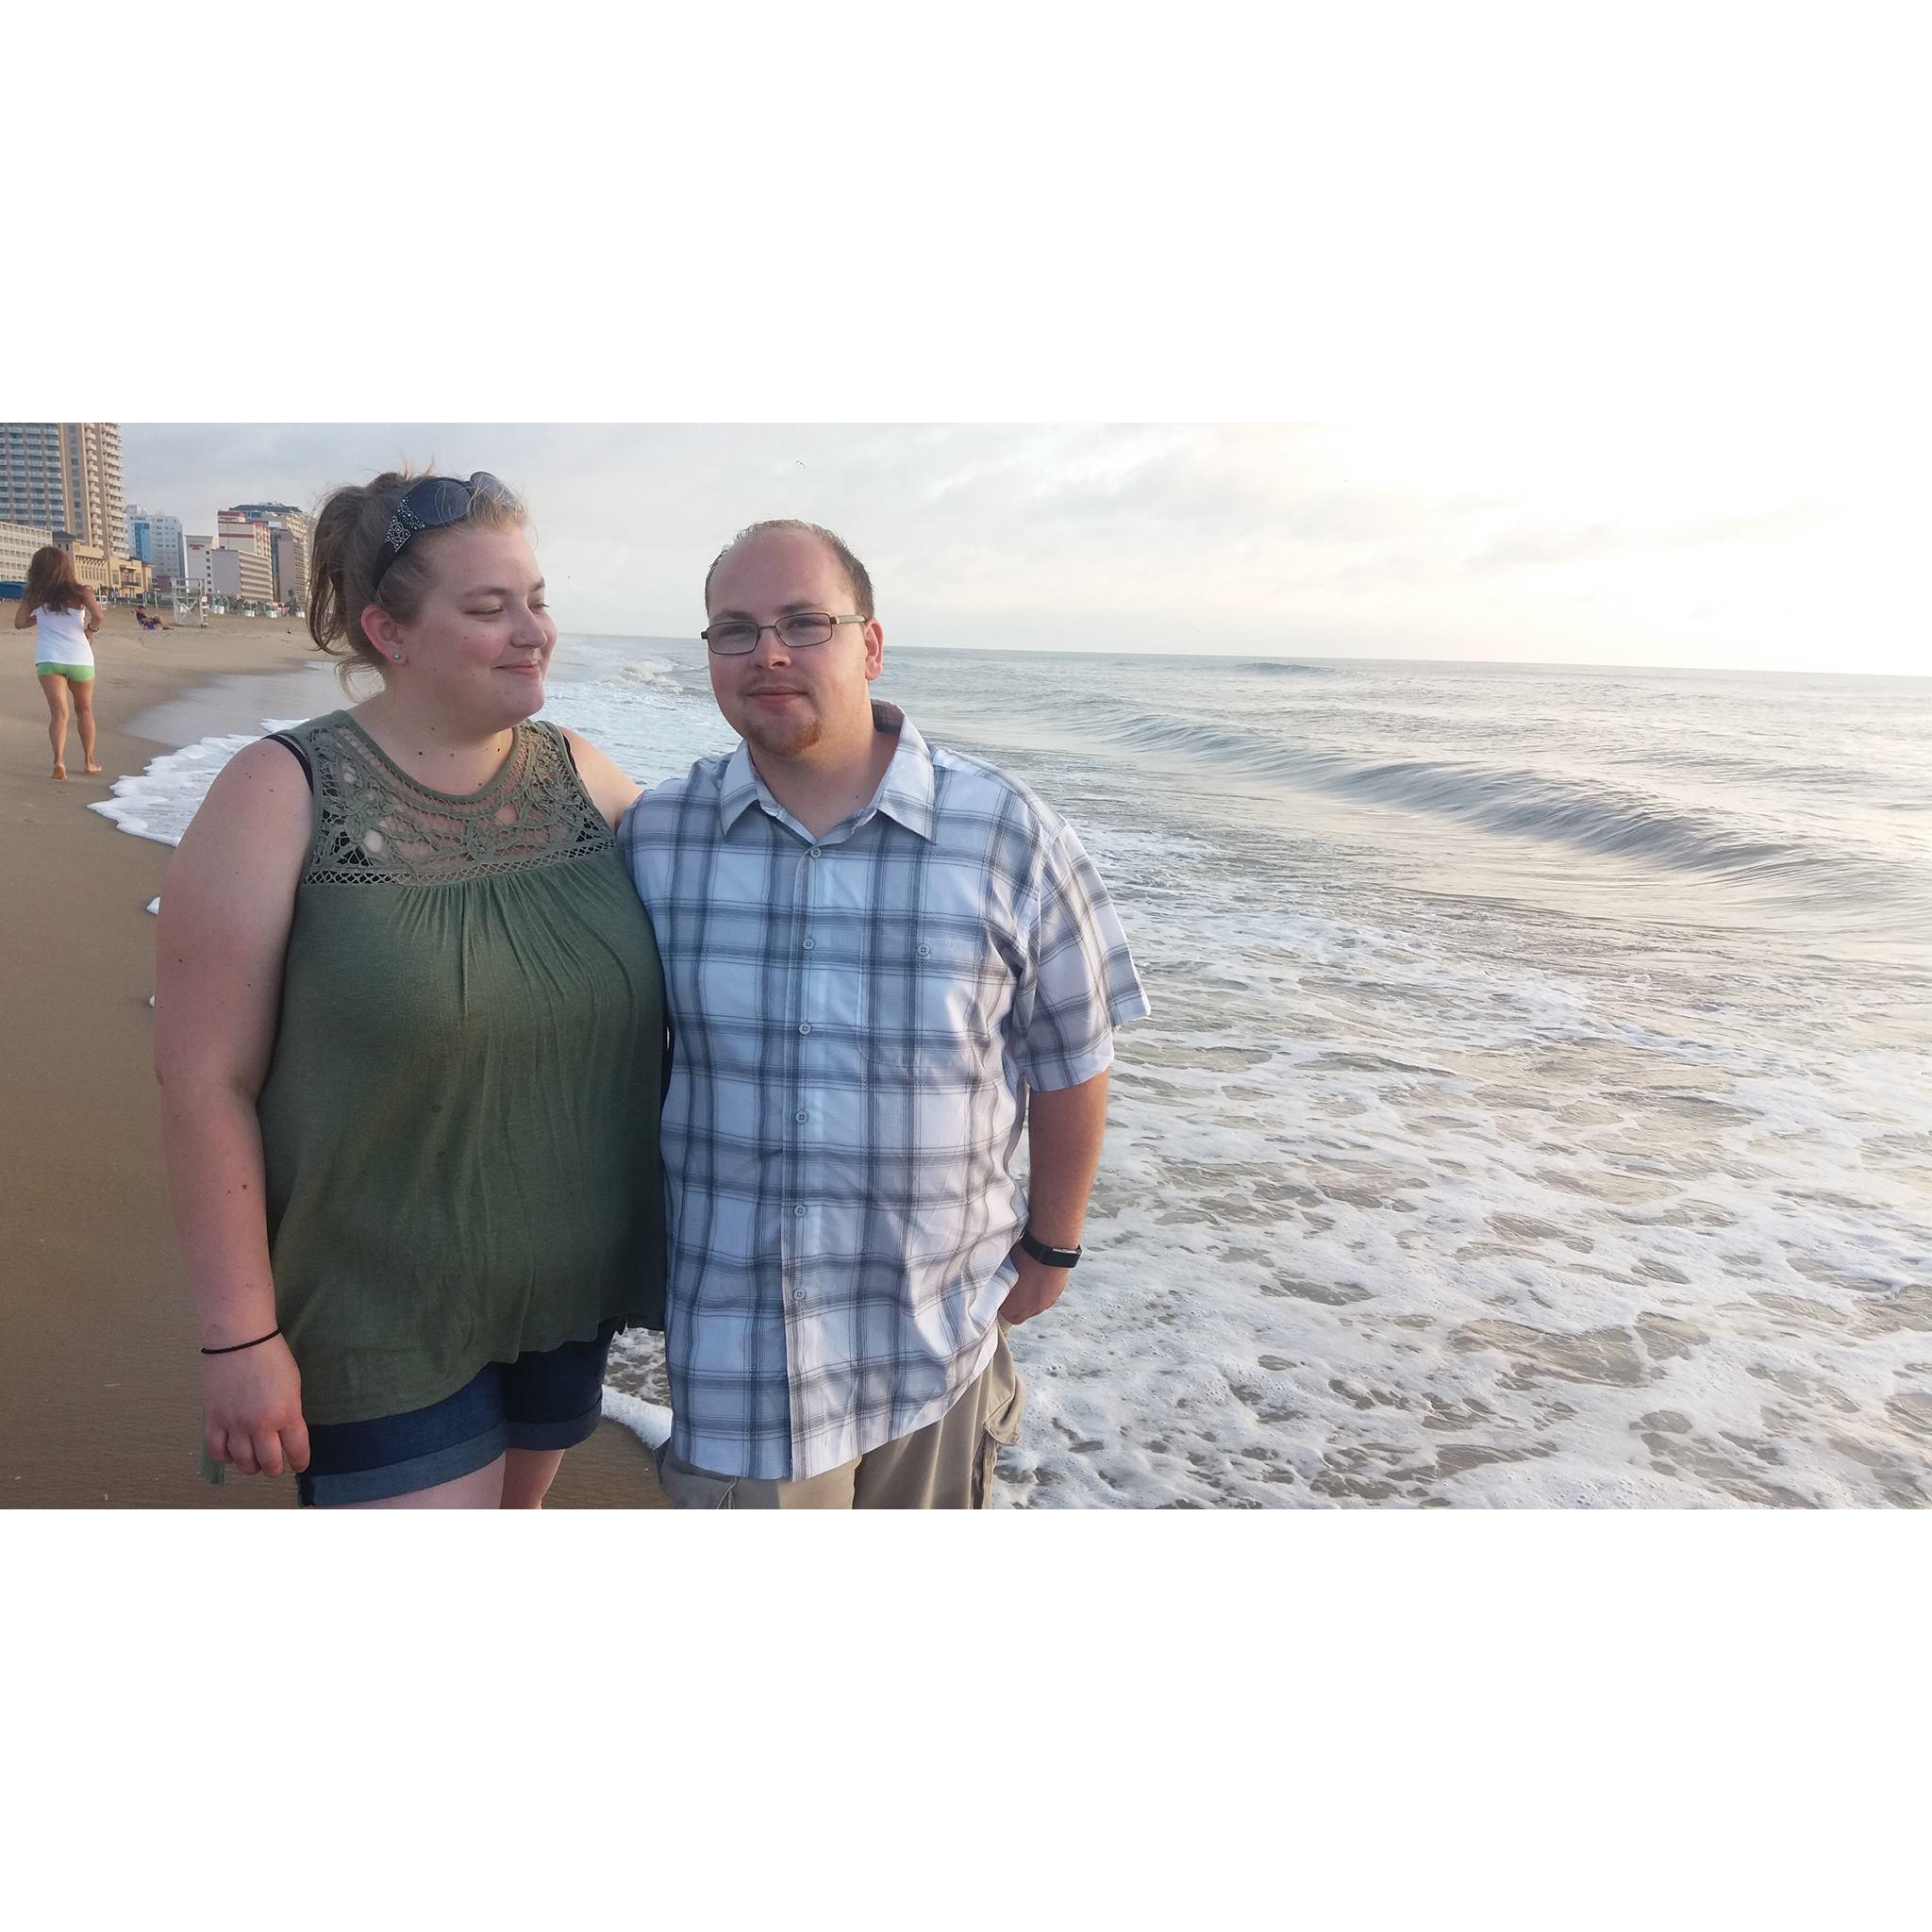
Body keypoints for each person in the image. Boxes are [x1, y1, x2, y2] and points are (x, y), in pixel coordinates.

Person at [155, 469, 666, 1507]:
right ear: (389, 633)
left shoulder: (581, 771)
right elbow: (204, 1079)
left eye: (536, 598)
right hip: (373, 1304)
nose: (533, 631)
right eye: (488, 608)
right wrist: (238, 1333)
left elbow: (748, 904)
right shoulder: (280, 791)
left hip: (564, 1295)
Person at [620, 520, 1149, 1508]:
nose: (766, 652)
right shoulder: (655, 835)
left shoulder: (1004, 831)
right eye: (732, 630)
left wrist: (1053, 1241)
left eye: (802, 622)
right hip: (744, 1358)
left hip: (934, 1344)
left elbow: (1072, 1051)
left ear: (867, 644)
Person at [12, 545, 106, 779]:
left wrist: (42, 618)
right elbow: (99, 615)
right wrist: (91, 630)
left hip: (49, 658)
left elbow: (19, 622)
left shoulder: (35, 594)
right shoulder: (80, 591)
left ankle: (60, 763)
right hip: (80, 658)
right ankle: (89, 761)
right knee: (84, 709)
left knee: (59, 714)